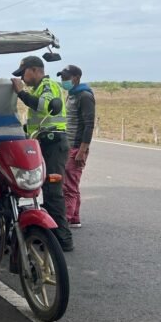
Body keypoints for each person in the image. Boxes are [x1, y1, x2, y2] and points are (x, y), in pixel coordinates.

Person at [11, 56, 74, 252]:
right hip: (44, 144)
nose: (22, 78)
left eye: (23, 73)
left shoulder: (48, 86)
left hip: (54, 145)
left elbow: (44, 106)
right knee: (43, 189)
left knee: (53, 192)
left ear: (34, 70)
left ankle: (63, 239)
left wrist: (20, 93)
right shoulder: (38, 89)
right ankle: (50, 236)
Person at [57, 64, 95, 228]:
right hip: (69, 144)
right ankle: (74, 218)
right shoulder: (72, 94)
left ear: (77, 78)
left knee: (68, 187)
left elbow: (89, 124)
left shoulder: (85, 96)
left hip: (76, 147)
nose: (63, 81)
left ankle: (64, 222)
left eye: (66, 78)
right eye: (62, 78)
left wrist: (82, 150)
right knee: (71, 183)